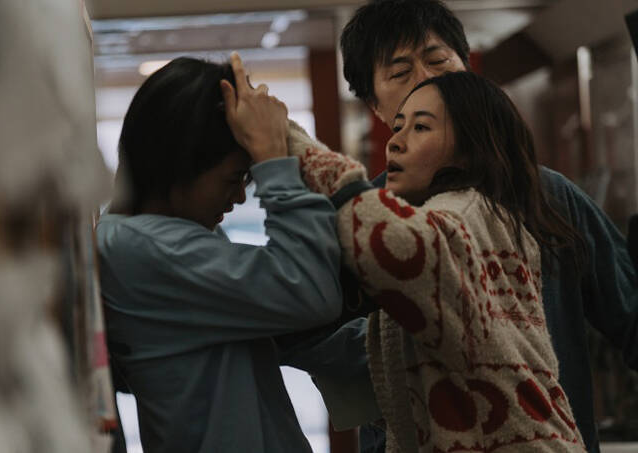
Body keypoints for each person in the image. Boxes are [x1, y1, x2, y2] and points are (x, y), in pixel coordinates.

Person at [338, 1, 638, 451]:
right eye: (400, 73)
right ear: (375, 107)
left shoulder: (548, 196)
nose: (427, 79)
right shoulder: (366, 220)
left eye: (438, 60)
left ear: (468, 69)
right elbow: (318, 340)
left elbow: (631, 315)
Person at [286, 69, 587, 452]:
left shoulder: (466, 212)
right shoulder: (487, 220)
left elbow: (394, 245)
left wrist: (288, 142)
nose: (395, 142)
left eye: (421, 127)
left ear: (470, 146)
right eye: (398, 126)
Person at [96, 55, 378, 453]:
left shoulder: (166, 239)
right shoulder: (137, 247)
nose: (240, 196)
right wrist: (274, 160)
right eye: (233, 179)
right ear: (178, 164)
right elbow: (310, 291)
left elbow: (285, 325)